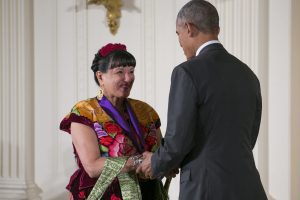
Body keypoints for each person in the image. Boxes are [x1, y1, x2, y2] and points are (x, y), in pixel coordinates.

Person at [136, 1, 268, 200]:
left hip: (205, 189)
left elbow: (178, 141)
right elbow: (249, 137)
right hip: (249, 187)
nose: (179, 42)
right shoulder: (247, 74)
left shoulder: (186, 72)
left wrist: (155, 163)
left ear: (189, 28)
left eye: (178, 33)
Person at [60, 43, 169, 200]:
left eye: (131, 71)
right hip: (104, 193)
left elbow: (161, 150)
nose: (128, 78)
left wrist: (167, 163)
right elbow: (92, 166)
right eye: (120, 72)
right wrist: (139, 160)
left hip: (148, 193)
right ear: (100, 76)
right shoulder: (84, 112)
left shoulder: (146, 111)